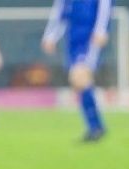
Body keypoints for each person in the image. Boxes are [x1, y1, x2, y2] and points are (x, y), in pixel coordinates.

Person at [42, 0, 112, 142]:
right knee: (79, 82)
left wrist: (101, 29)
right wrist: (51, 36)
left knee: (79, 77)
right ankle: (96, 126)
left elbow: (105, 5)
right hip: (73, 38)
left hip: (90, 37)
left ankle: (95, 127)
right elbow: (60, 12)